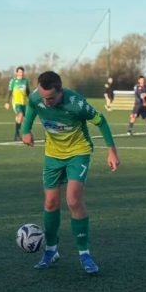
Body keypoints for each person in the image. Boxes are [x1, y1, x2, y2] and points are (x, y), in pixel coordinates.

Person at [21, 71, 120, 273]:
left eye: (51, 98)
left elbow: (101, 121)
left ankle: (84, 254)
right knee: (50, 202)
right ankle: (51, 250)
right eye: (43, 98)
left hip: (78, 153)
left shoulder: (77, 103)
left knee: (73, 201)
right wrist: (26, 130)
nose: (46, 102)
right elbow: (31, 107)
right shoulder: (37, 97)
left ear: (61, 91)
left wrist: (112, 151)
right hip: (53, 155)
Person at [5, 67, 31, 141]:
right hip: (16, 102)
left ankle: (16, 134)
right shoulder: (13, 81)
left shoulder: (25, 81)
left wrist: (31, 100)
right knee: (20, 115)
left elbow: (28, 92)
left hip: (23, 103)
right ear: (17, 73)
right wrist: (7, 102)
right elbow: (9, 91)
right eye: (19, 72)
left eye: (22, 72)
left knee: (20, 118)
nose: (21, 73)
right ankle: (17, 135)